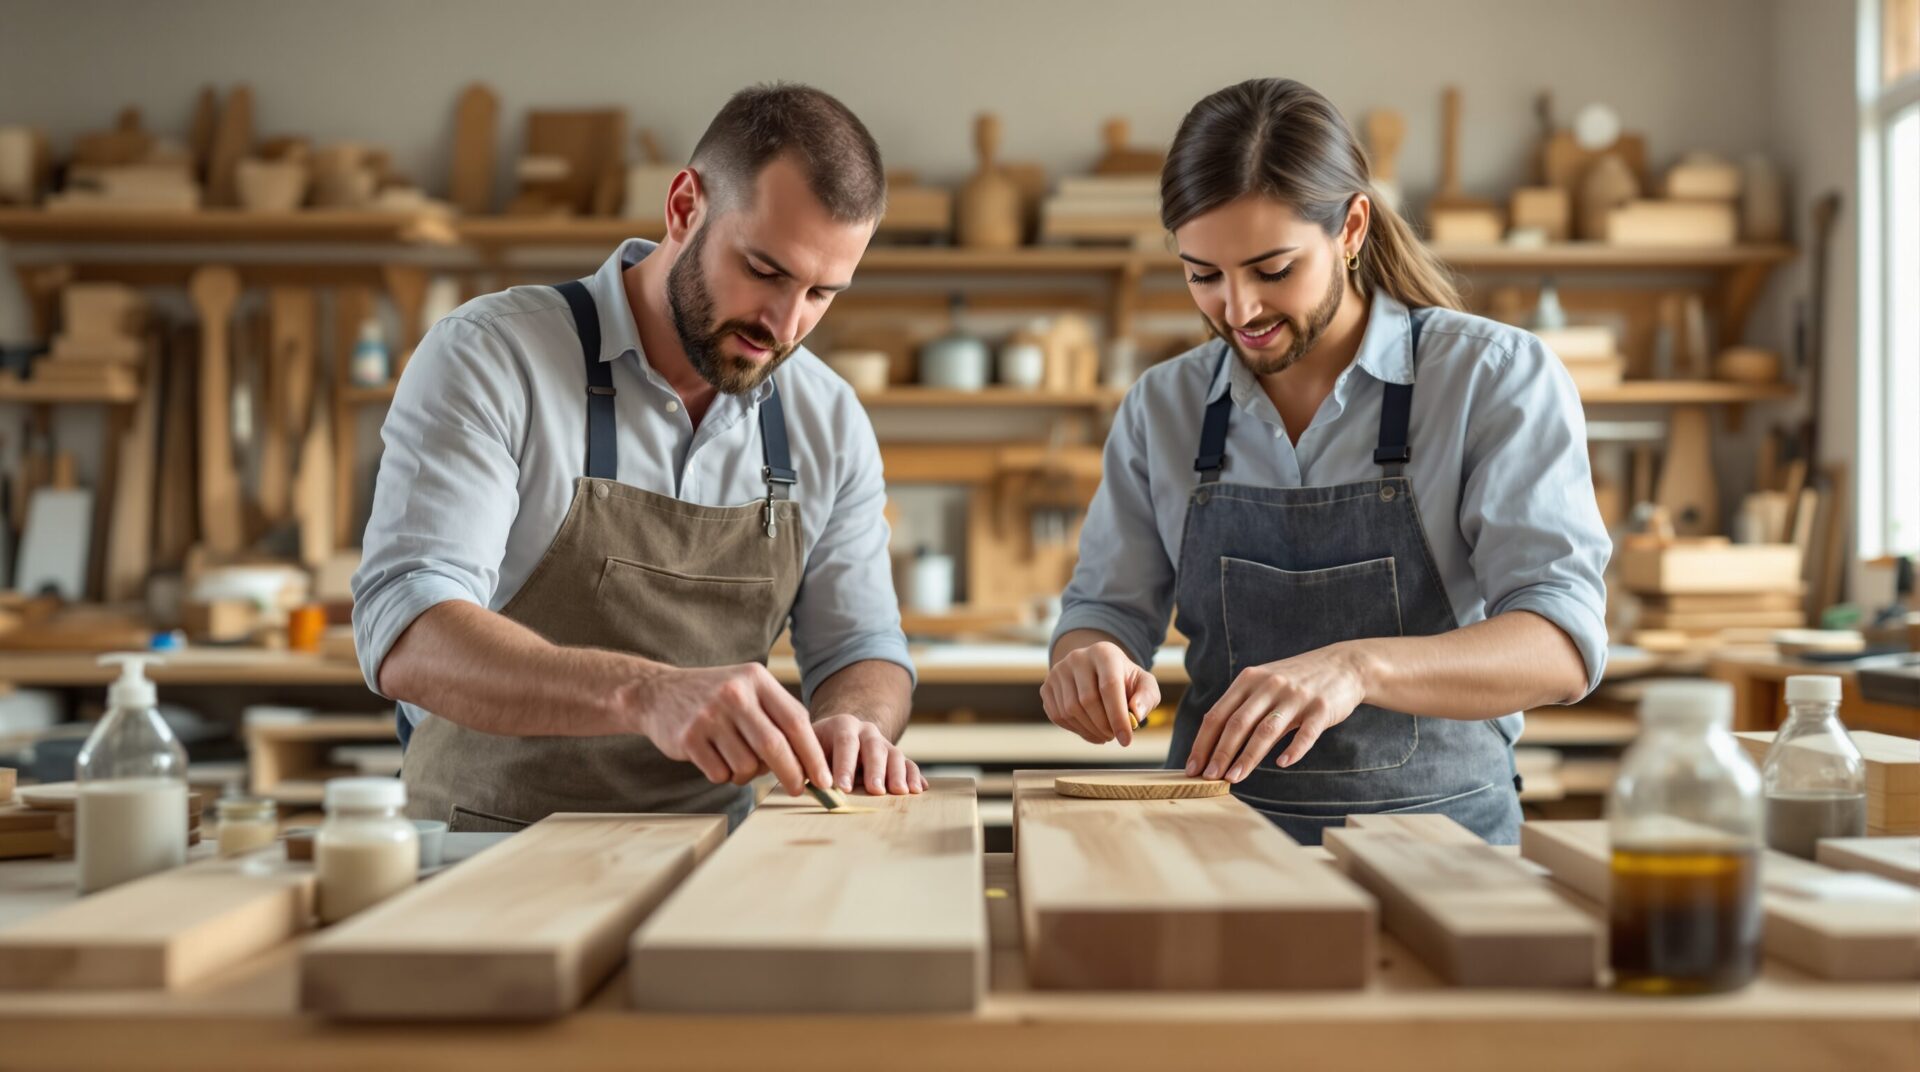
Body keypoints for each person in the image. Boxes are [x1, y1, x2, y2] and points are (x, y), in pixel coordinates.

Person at [1040, 78, 1609, 845]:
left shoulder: (1491, 378)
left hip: (1445, 851)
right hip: (1219, 845)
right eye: (1203, 275)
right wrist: (1088, 659)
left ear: (1351, 227)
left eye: (1272, 270)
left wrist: (1356, 669)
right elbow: (1104, 614)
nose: (1238, 311)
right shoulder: (1162, 408)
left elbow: (1561, 643)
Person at [352, 83, 923, 833]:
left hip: (707, 863)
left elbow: (863, 646)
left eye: (822, 293)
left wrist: (858, 724)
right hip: (484, 850)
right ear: (684, 206)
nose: (785, 326)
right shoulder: (494, 356)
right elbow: (408, 629)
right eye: (765, 270)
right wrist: (642, 693)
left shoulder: (828, 416)